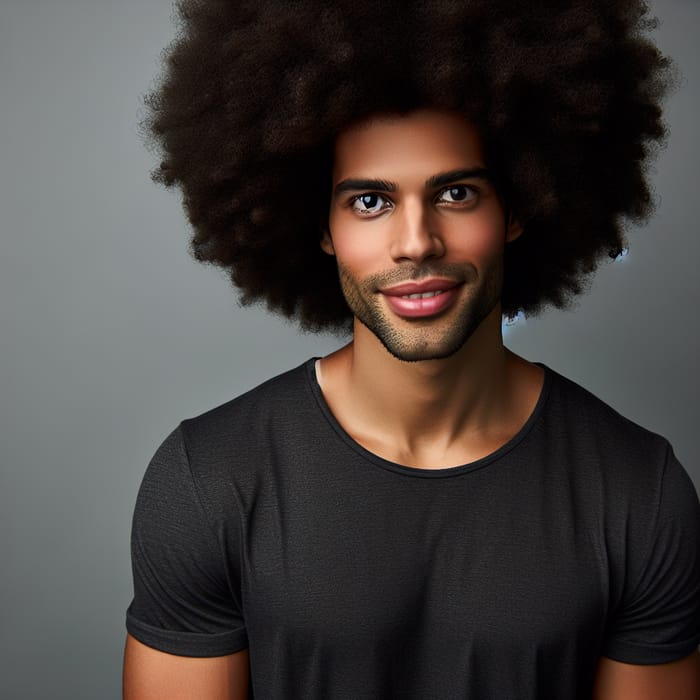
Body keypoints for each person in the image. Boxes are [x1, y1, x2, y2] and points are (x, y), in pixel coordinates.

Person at [123, 1, 700, 698]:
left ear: (518, 208)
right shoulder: (208, 481)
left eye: (455, 193)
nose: (416, 241)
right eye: (370, 202)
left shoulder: (639, 492)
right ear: (322, 228)